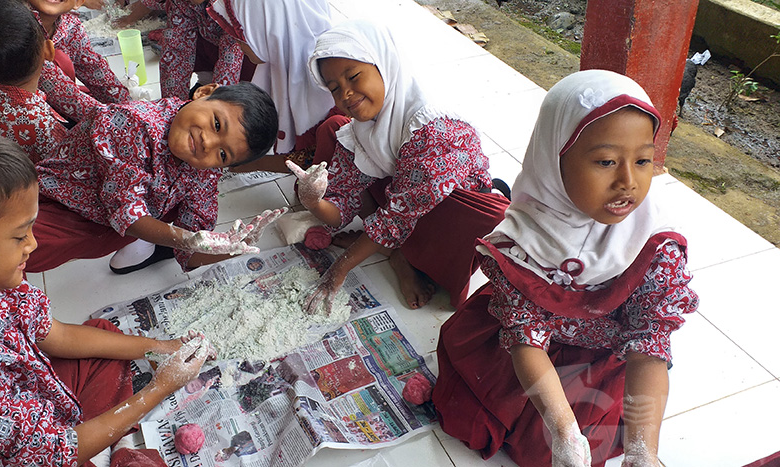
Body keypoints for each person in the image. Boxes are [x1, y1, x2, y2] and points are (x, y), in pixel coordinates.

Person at [0, 121, 210, 466]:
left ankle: (106, 436)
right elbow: (57, 453)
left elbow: (57, 335)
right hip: (0, 454)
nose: (33, 244)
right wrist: (161, 388)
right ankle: (111, 442)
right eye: (19, 236)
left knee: (102, 335)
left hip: (17, 417)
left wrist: (157, 348)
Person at [432, 70, 699, 467]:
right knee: (468, 415)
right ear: (553, 157)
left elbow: (649, 346)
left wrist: (646, 451)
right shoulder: (523, 238)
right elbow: (525, 338)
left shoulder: (653, 244)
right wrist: (563, 429)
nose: (628, 181)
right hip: (527, 347)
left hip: (600, 354)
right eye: (606, 161)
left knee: (549, 452)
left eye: (643, 160)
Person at [293, 20, 509, 313]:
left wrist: (340, 269)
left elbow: (397, 217)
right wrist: (314, 201)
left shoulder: (433, 129)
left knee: (475, 217)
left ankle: (397, 252)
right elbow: (341, 204)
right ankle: (395, 252)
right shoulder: (362, 129)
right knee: (335, 128)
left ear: (384, 64)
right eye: (334, 88)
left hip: (450, 213)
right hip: (404, 201)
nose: (345, 94)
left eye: (354, 77)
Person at [31, 81, 286, 273]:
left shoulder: (204, 170)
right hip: (56, 208)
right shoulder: (133, 123)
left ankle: (143, 245)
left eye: (222, 154)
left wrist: (231, 248)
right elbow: (128, 215)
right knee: (10, 254)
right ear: (204, 92)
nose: (208, 142)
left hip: (116, 222)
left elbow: (190, 251)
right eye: (217, 124)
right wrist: (187, 240)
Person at [207, 0, 342, 171]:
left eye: (241, 37)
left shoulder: (337, 85)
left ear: (270, 34)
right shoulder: (273, 63)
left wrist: (253, 164)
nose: (238, 45)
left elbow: (315, 159)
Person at [0, 0, 101, 163]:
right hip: (19, 178)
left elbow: (80, 102)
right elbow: (70, 163)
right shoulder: (41, 123)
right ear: (48, 50)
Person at [0, 0, 130, 118]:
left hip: (43, 96)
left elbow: (95, 70)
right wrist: (121, 121)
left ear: (79, 2)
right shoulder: (15, 26)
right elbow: (69, 98)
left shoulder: (71, 26)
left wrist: (128, 104)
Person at [156, 0, 244, 100]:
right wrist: (173, 105)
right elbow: (176, 48)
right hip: (215, 51)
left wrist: (216, 102)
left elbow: (230, 58)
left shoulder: (234, 5)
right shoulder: (181, 3)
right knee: (173, 37)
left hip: (246, 59)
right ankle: (206, 81)